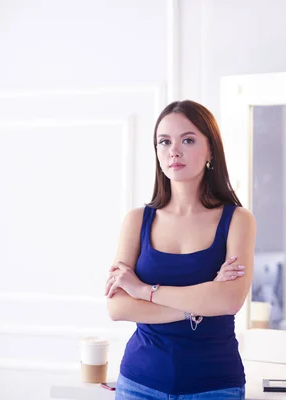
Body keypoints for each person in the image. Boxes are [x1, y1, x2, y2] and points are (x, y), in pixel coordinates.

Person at [105, 100, 256, 399]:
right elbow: (117, 307)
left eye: (187, 140)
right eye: (164, 141)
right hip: (139, 383)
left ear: (211, 149)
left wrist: (143, 290)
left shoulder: (238, 220)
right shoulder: (137, 221)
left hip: (214, 386)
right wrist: (201, 301)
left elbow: (228, 301)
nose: (174, 150)